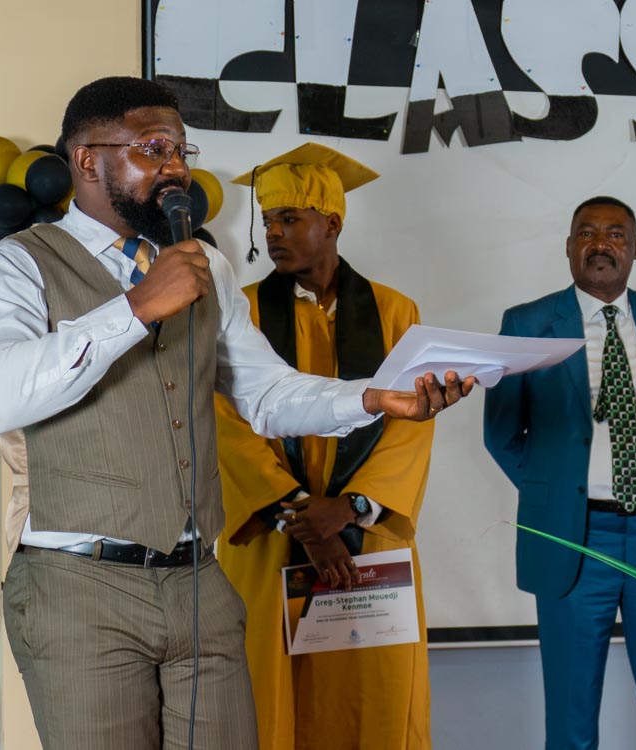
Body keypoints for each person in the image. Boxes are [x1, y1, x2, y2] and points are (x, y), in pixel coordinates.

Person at [0, 76, 473, 750]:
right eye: (153, 149)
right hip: (79, 588)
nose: (175, 168)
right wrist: (137, 307)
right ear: (87, 159)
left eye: (181, 150)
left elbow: (266, 395)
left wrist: (373, 398)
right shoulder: (17, 264)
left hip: (199, 584)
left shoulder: (204, 263)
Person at [214, 143, 435, 750]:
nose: (273, 233)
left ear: (332, 224)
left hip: (368, 542)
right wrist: (302, 518)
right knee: (267, 701)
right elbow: (226, 425)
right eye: (267, 221)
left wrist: (352, 508)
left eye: (289, 219)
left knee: (375, 699)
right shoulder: (240, 312)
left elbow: (411, 427)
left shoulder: (395, 313)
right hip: (272, 537)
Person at [483, 196, 636, 750]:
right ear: (568, 247)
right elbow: (502, 433)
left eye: (615, 234)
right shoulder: (527, 323)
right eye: (586, 233)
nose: (601, 244)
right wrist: (558, 494)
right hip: (574, 540)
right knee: (571, 717)